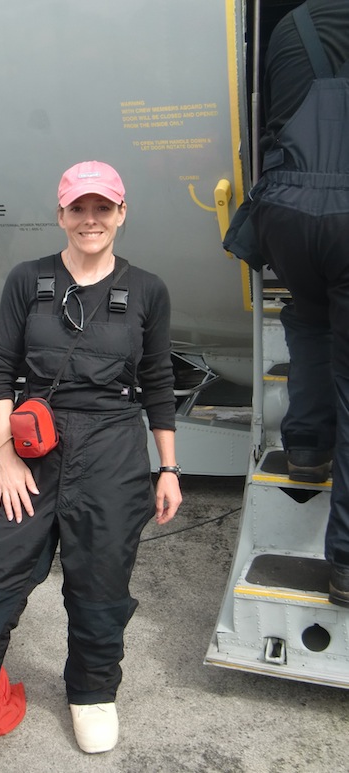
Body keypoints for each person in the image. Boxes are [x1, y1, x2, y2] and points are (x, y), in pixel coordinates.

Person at [0, 160, 182, 773]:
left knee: (100, 586)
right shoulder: (28, 279)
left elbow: (157, 381)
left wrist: (168, 468)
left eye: (103, 208)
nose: (90, 219)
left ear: (122, 213)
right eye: (78, 208)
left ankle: (93, 691)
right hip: (34, 447)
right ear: (61, 213)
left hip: (114, 449)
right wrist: (6, 459)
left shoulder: (147, 289)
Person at [228, 0, 349, 606]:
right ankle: (347, 560)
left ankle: (305, 445)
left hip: (290, 215)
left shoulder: (288, 30)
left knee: (306, 316)